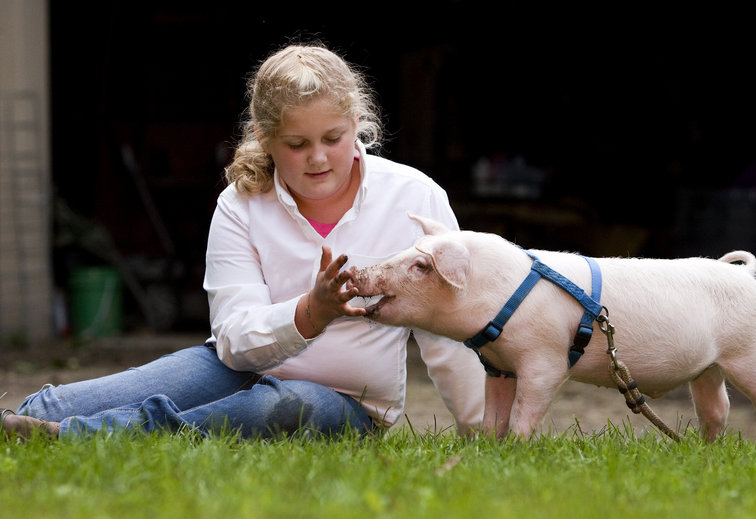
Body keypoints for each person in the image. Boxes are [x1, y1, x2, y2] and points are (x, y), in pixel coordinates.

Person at [1, 43, 485, 441]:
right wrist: (309, 313)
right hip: (236, 367)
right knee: (55, 404)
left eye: (333, 138)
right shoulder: (240, 204)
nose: (318, 158)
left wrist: (482, 432)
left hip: (346, 402)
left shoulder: (415, 197)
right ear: (265, 138)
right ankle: (40, 424)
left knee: (284, 406)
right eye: (297, 145)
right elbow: (233, 340)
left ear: (357, 123)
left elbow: (450, 333)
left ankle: (77, 438)